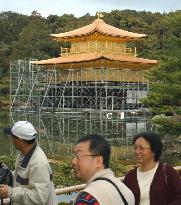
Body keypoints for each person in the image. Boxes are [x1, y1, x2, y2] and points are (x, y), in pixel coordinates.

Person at [0, 121, 57, 205]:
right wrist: (7, 173)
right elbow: (21, 178)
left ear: (19, 140)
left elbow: (39, 198)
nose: (11, 139)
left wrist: (10, 192)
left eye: (12, 137)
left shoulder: (38, 163)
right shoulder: (24, 154)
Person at [71, 134, 135, 205]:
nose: (73, 162)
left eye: (78, 156)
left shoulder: (89, 199)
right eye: (74, 156)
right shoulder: (126, 191)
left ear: (98, 161)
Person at [123, 131, 181, 205]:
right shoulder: (130, 176)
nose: (137, 151)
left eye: (141, 148)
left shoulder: (167, 172)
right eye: (135, 148)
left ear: (154, 150)